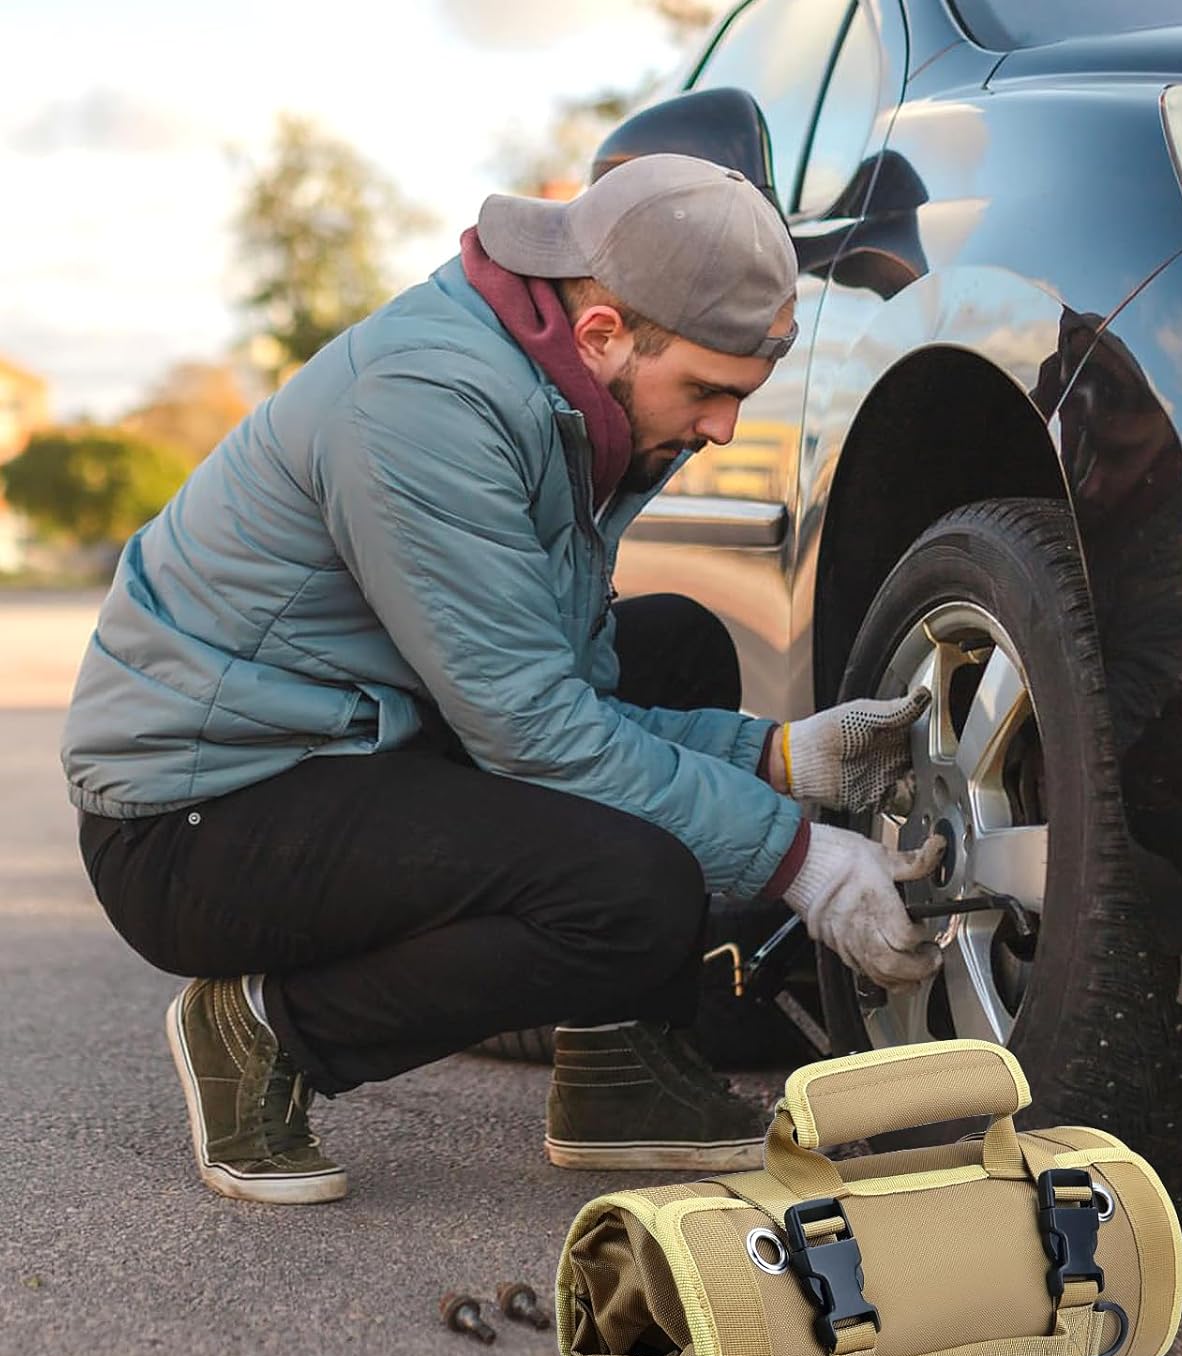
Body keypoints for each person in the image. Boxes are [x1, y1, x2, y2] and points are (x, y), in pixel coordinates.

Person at [63, 153, 943, 1206]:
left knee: (677, 642)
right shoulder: (427, 406)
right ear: (604, 330)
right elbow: (536, 733)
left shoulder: (562, 388)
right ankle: (265, 1033)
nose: (722, 429)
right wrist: (803, 860)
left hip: (355, 738)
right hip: (201, 815)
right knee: (631, 889)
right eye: (708, 390)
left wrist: (780, 756)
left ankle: (623, 1081)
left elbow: (566, 692)